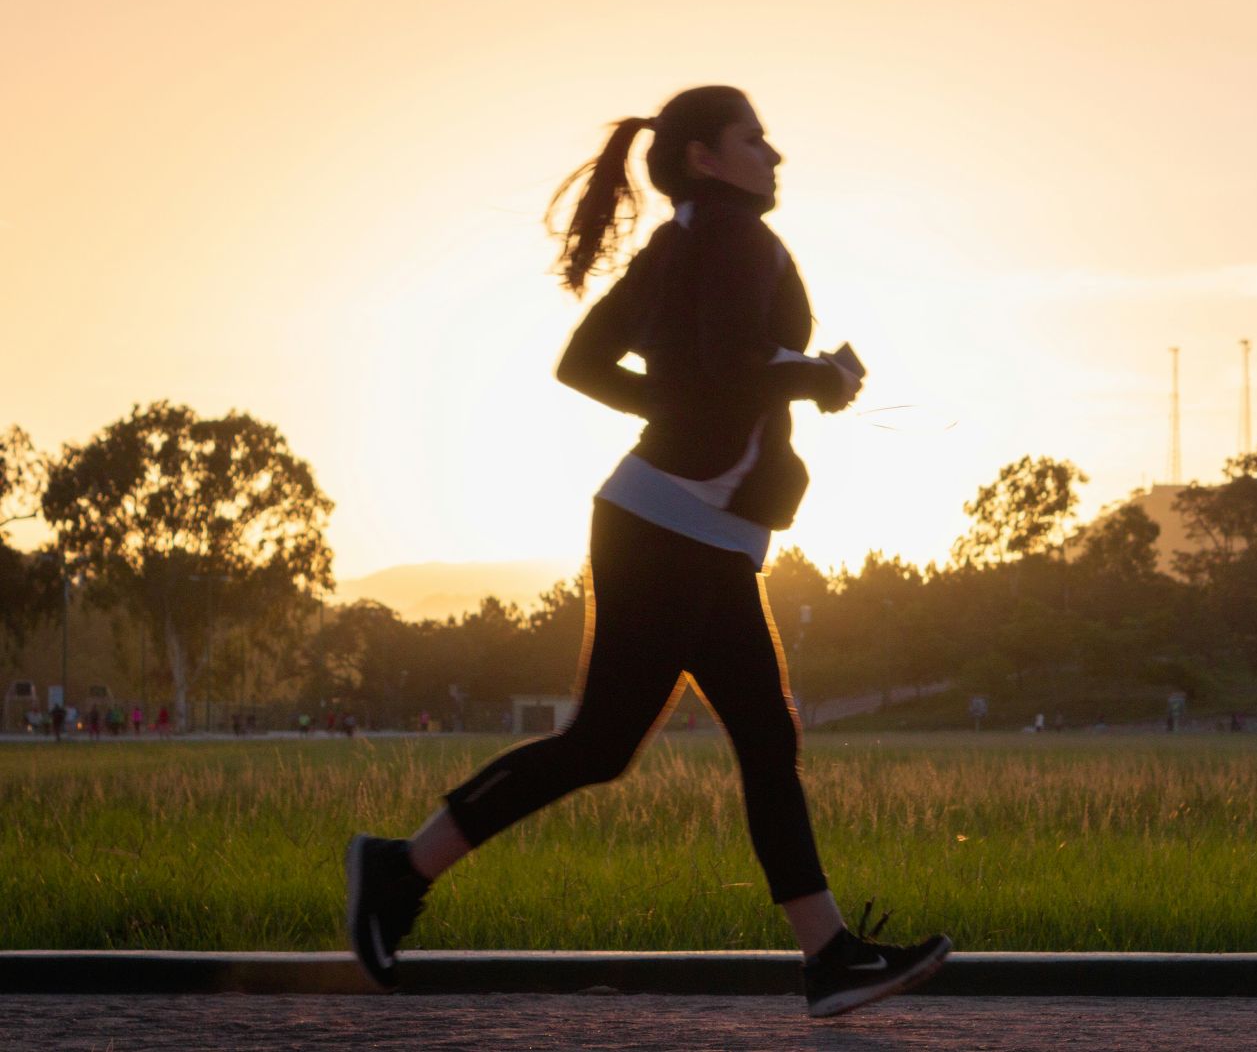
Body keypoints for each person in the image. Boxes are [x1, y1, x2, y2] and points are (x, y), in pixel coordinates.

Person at [345, 87, 950, 1018]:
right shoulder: (735, 242)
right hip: (670, 528)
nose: (775, 154)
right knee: (615, 743)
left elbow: (586, 364)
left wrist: (683, 410)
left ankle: (828, 956)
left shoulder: (680, 244)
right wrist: (821, 377)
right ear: (707, 157)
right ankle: (397, 869)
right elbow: (726, 364)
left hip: (683, 525)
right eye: (756, 138)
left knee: (753, 736)